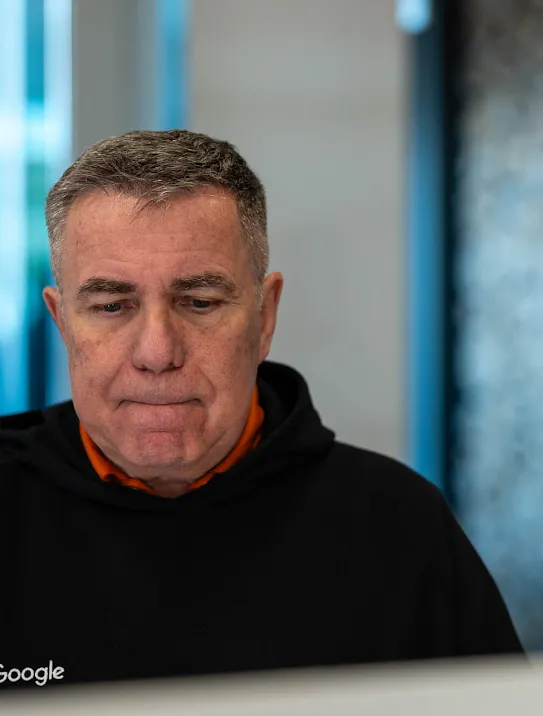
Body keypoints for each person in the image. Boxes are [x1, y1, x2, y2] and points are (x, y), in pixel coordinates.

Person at [0, 130, 522, 688]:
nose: (157, 353)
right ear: (61, 322)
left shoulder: (399, 529)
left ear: (264, 318)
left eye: (199, 303)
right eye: (110, 305)